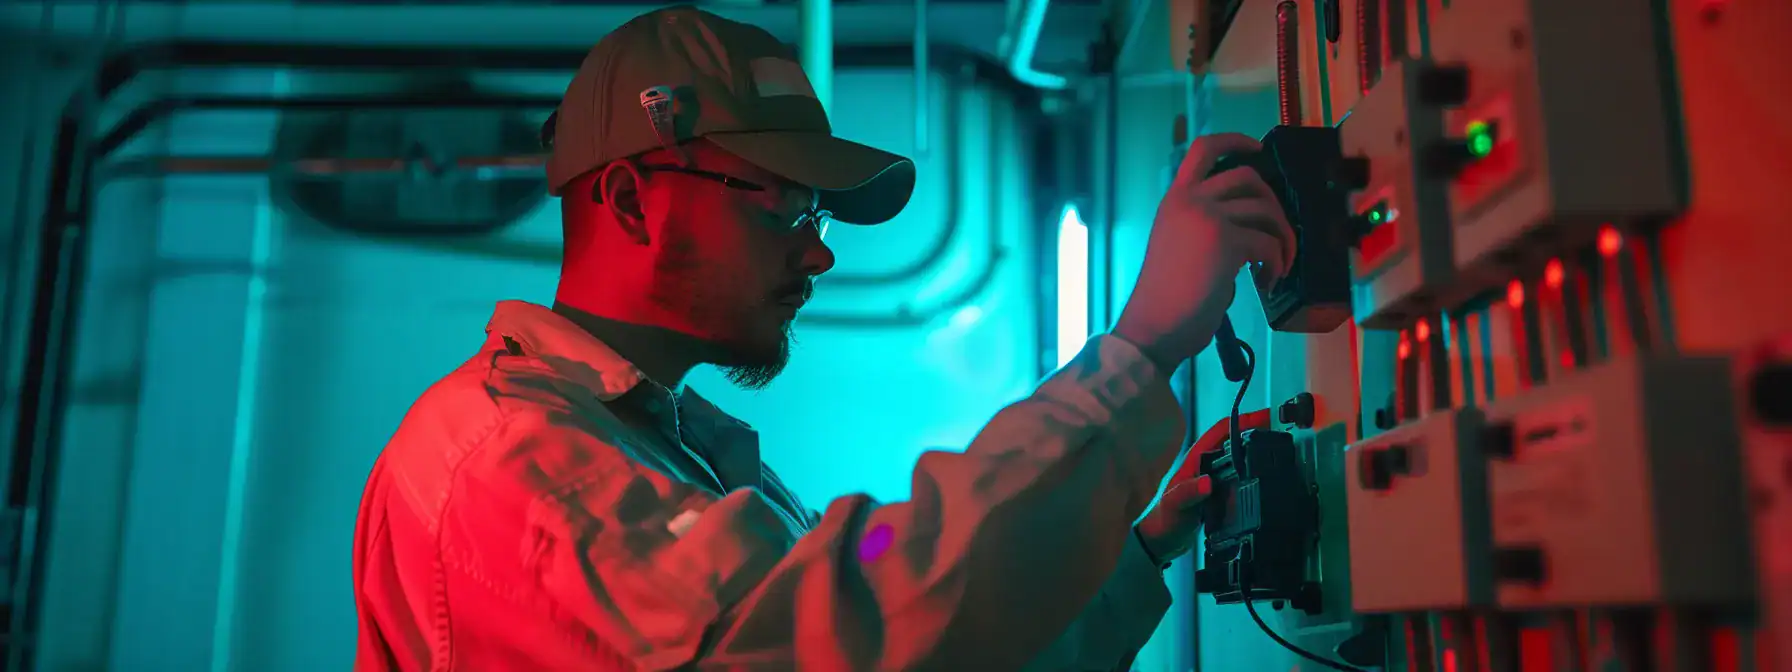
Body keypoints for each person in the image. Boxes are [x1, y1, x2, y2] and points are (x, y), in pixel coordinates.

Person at [351, 5, 1296, 671]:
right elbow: (848, 631)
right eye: (789, 209)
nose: (819, 254)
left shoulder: (669, 454)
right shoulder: (506, 457)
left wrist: (1139, 549)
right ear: (633, 198)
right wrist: (1140, 351)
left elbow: (932, 641)